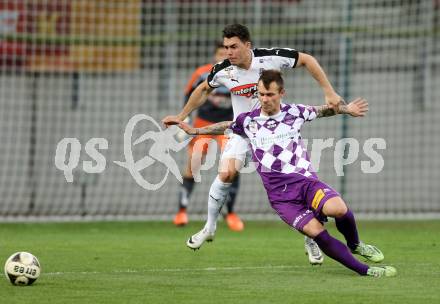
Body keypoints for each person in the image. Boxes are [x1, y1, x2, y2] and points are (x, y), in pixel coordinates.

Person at [177, 70, 397, 277]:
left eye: (270, 94)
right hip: (282, 198)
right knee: (316, 232)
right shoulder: (248, 121)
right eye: (261, 94)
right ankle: (366, 271)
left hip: (306, 183)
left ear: (281, 93)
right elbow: (226, 125)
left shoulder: (295, 112)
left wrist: (347, 109)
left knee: (339, 208)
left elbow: (323, 110)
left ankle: (356, 244)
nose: (264, 99)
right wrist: (194, 130)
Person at [163, 23, 343, 265]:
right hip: (244, 131)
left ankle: (311, 239)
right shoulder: (224, 71)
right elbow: (203, 89)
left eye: (234, 47)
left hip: (276, 134)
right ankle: (209, 227)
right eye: (226, 47)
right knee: (225, 173)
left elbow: (307, 59)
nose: (229, 52)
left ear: (247, 45)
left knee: (296, 186)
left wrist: (329, 92)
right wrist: (182, 115)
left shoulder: (271, 59)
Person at [174, 42, 244, 232]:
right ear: (215, 55)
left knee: (232, 165)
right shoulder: (202, 73)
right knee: (193, 164)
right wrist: (185, 118)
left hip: (228, 125)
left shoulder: (239, 74)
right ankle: (182, 210)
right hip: (203, 123)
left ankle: (230, 213)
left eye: (226, 53)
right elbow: (189, 94)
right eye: (220, 53)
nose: (223, 56)